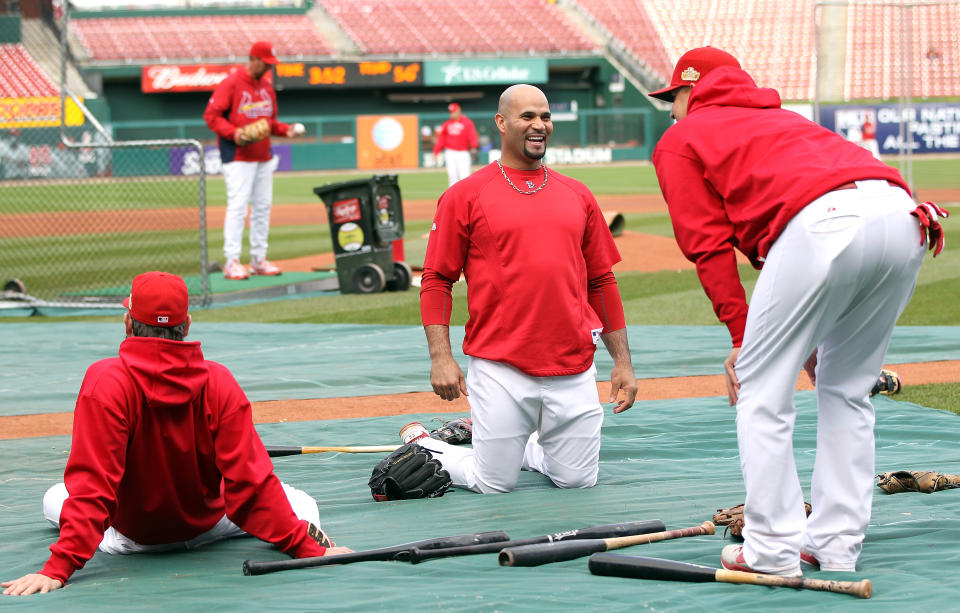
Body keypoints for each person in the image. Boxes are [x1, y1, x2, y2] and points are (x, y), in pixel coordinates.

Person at [648, 47, 946, 577]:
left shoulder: (682, 137)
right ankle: (834, 544)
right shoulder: (786, 120)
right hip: (904, 216)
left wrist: (743, 341)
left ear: (691, 91)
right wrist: (796, 337)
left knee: (760, 389)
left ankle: (771, 549)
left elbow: (709, 247)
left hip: (824, 221)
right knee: (847, 389)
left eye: (672, 97)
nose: (670, 109)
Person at [1, 271, 351, 596]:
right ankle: (300, 538)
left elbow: (94, 487)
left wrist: (57, 569)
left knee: (56, 497)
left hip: (133, 540)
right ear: (187, 325)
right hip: (211, 527)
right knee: (299, 501)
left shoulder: (106, 379)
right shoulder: (219, 380)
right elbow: (251, 485)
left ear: (128, 322)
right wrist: (311, 549)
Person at [403, 84, 637, 494]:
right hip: (500, 365)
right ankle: (427, 445)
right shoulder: (465, 195)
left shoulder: (577, 193)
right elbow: (437, 278)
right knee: (493, 483)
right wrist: (441, 357)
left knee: (577, 481)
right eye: (527, 116)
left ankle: (524, 449)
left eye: (545, 117)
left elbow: (602, 280)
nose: (539, 125)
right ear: (501, 123)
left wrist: (623, 362)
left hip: (573, 363)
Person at [203, 41, 305, 281]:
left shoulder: (266, 87)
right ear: (254, 59)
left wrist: (286, 130)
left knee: (262, 208)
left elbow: (269, 122)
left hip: (263, 155)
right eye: (266, 63)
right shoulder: (232, 83)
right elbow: (211, 116)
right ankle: (232, 261)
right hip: (238, 156)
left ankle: (259, 259)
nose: (269, 68)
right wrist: (233, 133)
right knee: (238, 207)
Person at [433, 102, 479, 186]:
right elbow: (441, 140)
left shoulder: (467, 122)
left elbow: (472, 135)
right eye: (450, 112)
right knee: (452, 176)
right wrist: (436, 151)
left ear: (458, 111)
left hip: (463, 153)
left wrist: (474, 146)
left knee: (465, 176)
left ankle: (466, 197)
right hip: (450, 152)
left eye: (453, 111)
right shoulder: (446, 124)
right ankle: (453, 198)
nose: (451, 114)